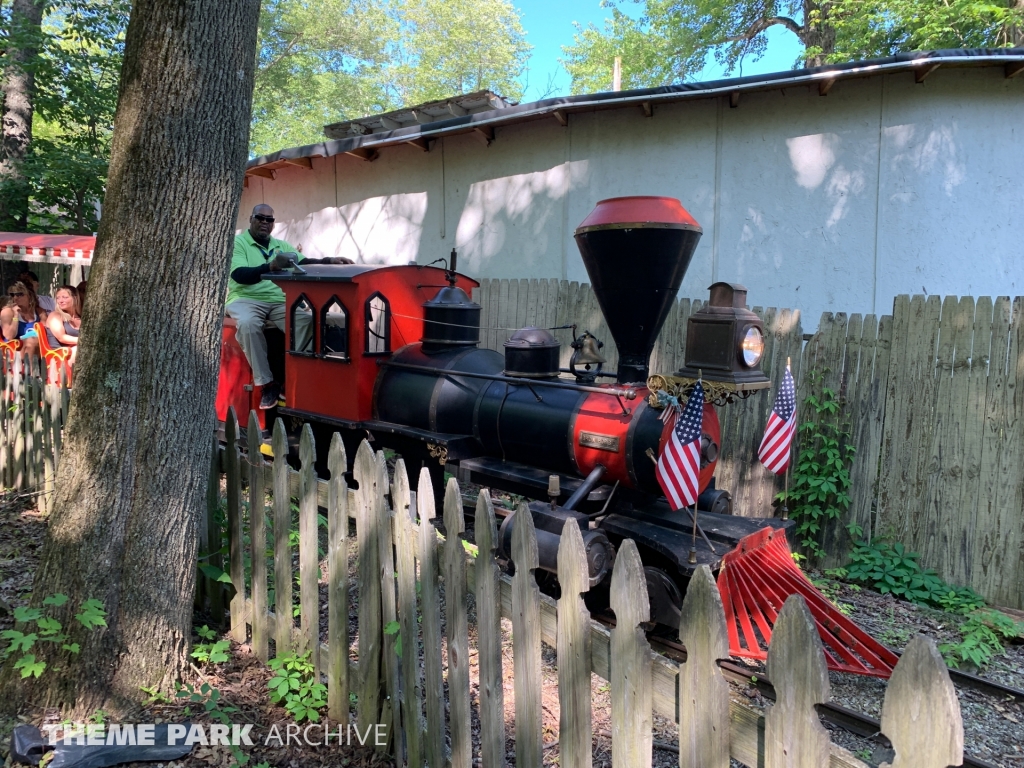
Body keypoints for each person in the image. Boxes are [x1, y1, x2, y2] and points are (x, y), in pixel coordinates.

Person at [226, 204, 352, 409]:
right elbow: (239, 275)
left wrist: (329, 260)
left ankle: (293, 377)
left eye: (270, 220)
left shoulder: (281, 245)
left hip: (278, 299)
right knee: (248, 325)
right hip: (245, 297)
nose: (265, 223)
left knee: (306, 322)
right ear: (251, 219)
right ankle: (267, 383)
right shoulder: (238, 243)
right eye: (261, 218)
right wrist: (270, 266)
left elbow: (304, 262)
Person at [0, 280, 47, 357]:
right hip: (13, 351)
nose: (15, 297)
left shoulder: (39, 311)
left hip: (36, 348)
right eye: (12, 295)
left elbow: (45, 331)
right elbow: (8, 336)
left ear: (29, 295)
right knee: (31, 342)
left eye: (19, 294)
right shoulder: (8, 311)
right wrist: (15, 316)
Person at [45, 285, 82, 365]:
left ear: (75, 298)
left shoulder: (81, 317)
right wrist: (84, 341)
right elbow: (62, 337)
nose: (60, 301)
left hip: (76, 352)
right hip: (60, 355)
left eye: (64, 297)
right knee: (78, 349)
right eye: (58, 298)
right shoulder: (55, 315)